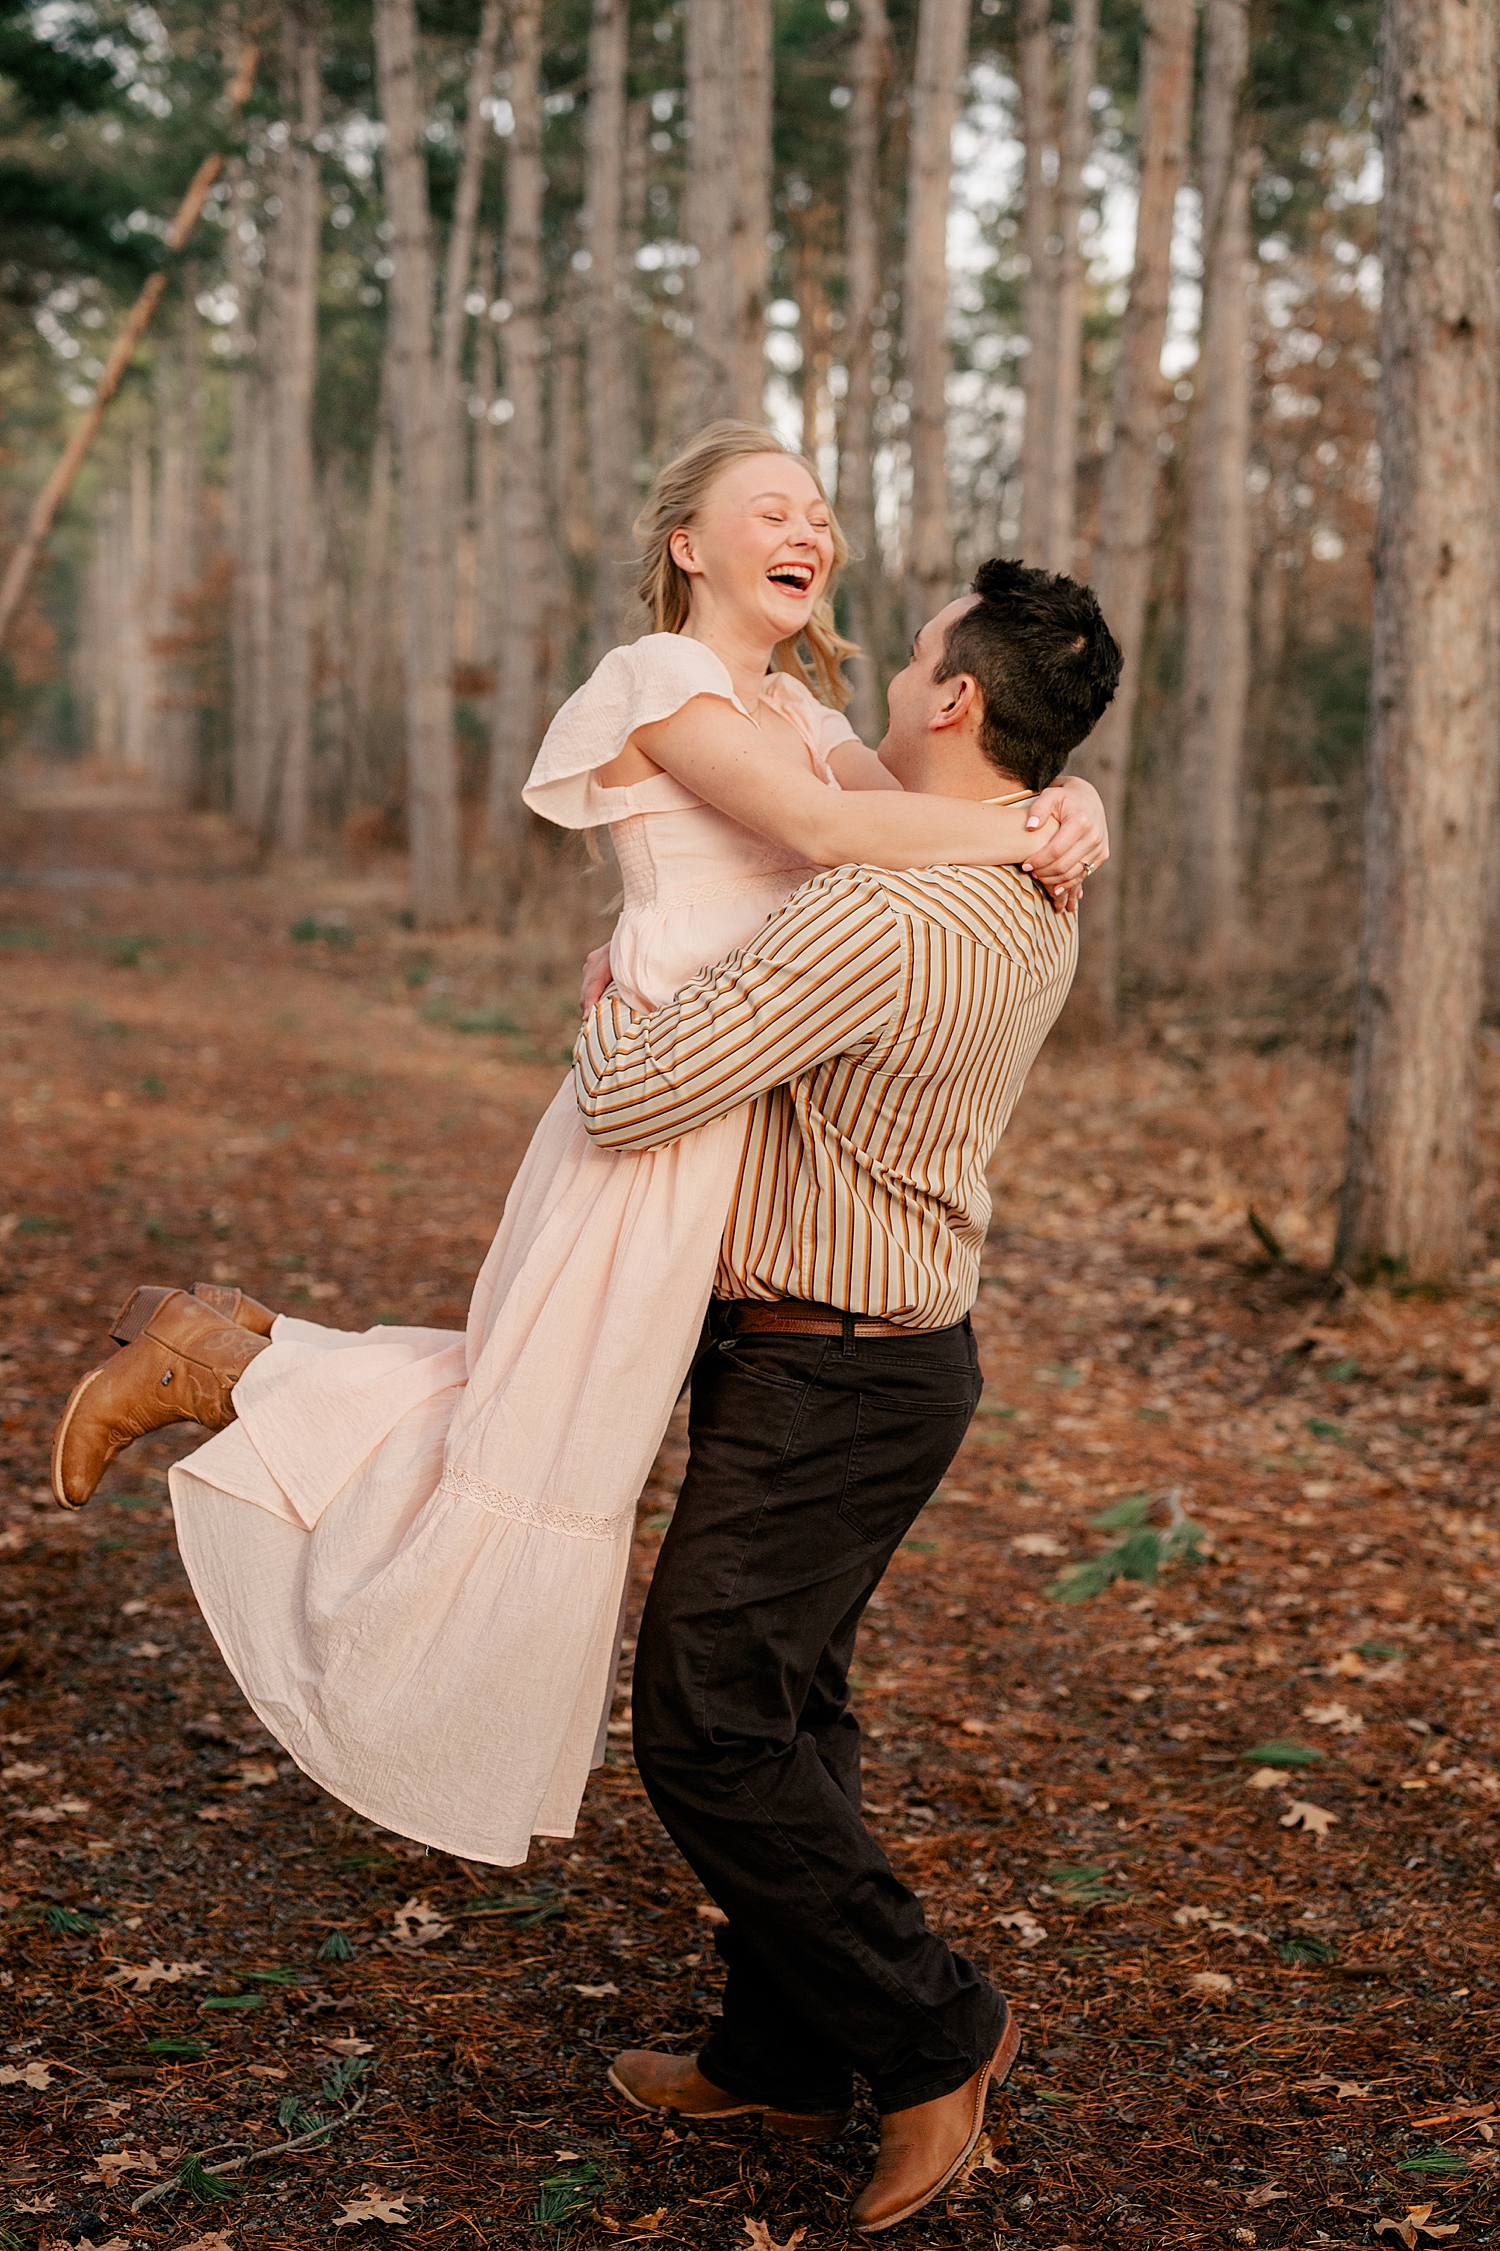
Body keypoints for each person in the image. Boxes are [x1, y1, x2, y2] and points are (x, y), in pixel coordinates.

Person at [48, 419, 1108, 1878]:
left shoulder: (798, 704)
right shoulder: (659, 681)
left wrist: (1069, 800)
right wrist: (1024, 837)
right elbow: (823, 829)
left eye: (821, 511)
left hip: (722, 1104)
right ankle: (227, 1369)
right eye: (772, 509)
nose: (812, 530)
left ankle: (234, 1356)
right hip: (653, 1103)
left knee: (541, 1422)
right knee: (529, 1432)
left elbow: (925, 797)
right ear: (688, 546)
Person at [572, 555, 1122, 2232]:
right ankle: (785, 2049)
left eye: (924, 654)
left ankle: (935, 2029)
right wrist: (1073, 797)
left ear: (955, 702)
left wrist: (612, 999)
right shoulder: (1034, 866)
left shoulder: (881, 910)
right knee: (791, 1710)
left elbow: (640, 1094)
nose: (891, 664)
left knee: (707, 1725)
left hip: (836, 1367)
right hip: (876, 1359)